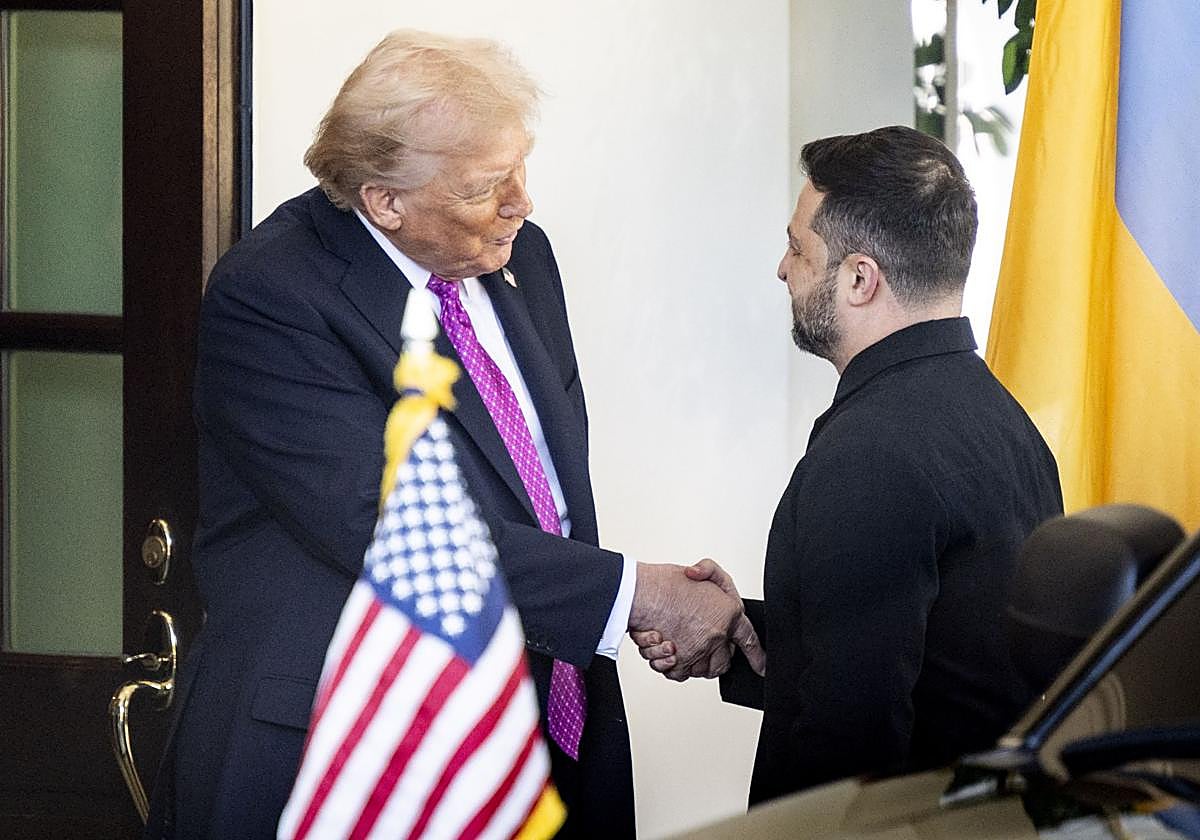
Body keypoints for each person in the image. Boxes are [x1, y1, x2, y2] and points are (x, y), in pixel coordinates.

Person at [145, 29, 761, 839]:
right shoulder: (272, 296)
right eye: (485, 185)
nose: (521, 202)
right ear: (384, 199)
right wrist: (636, 596)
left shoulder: (522, 261)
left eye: (519, 169)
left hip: (545, 733)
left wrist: (630, 611)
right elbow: (400, 531)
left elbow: (541, 495)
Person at [635, 125, 1063, 804]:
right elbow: (935, 658)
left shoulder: (870, 456)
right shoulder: (1005, 424)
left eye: (798, 248)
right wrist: (744, 629)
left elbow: (847, 754)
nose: (783, 268)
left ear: (860, 278)